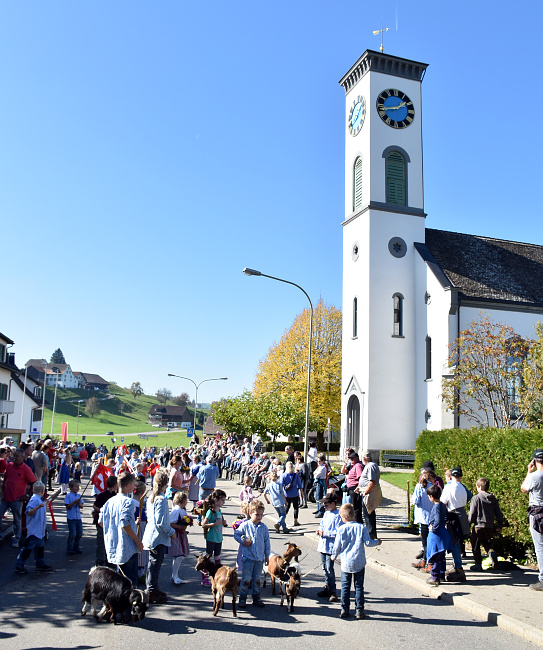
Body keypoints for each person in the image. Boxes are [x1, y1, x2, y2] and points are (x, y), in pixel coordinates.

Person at [331, 502, 381, 619]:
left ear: (344, 517)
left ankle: (344, 609)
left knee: (345, 587)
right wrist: (377, 542)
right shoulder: (361, 527)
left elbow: (337, 546)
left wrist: (334, 556)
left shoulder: (341, 529)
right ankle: (359, 610)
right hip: (359, 561)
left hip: (346, 563)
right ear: (354, 515)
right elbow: (368, 543)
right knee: (359, 587)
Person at [100, 471, 143, 586]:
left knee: (114, 582)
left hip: (112, 545)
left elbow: (101, 521)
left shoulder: (109, 501)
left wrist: (112, 530)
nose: (134, 486)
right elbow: (124, 523)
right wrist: (137, 541)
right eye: (133, 483)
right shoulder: (128, 502)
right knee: (129, 582)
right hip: (126, 547)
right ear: (127, 485)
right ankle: (130, 603)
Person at [143, 470, 176, 604]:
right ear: (165, 483)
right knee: (155, 564)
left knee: (152, 563)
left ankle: (153, 588)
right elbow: (161, 521)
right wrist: (171, 532)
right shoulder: (161, 499)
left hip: (152, 535)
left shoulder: (152, 497)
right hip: (158, 537)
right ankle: (151, 591)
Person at [233, 499, 270, 609]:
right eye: (257, 514)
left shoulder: (263, 528)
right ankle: (242, 599)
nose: (259, 517)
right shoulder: (245, 525)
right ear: (250, 513)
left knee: (257, 579)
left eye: (261, 515)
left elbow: (266, 542)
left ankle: (256, 598)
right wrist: (243, 542)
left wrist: (267, 555)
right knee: (245, 579)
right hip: (248, 558)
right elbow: (236, 535)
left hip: (259, 559)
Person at [0, 449, 37, 548]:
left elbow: (34, 482)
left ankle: (16, 538)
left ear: (22, 457)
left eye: (17, 456)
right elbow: (5, 478)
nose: (14, 458)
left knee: (17, 520)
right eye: (14, 456)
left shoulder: (26, 469)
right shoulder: (9, 466)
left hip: (17, 499)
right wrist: (2, 490)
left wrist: (28, 495)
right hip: (5, 497)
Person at [15, 481, 53, 574]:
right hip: (34, 530)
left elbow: (41, 512)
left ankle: (40, 563)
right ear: (43, 490)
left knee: (40, 548)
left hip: (39, 530)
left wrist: (45, 505)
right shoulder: (34, 500)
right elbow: (29, 512)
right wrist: (38, 507)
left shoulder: (39, 499)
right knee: (28, 548)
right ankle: (19, 564)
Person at [440, 467, 469, 582]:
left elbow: (442, 501)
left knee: (455, 542)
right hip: (462, 513)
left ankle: (458, 568)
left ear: (451, 476)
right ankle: (457, 565)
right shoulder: (463, 487)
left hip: (453, 515)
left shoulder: (449, 487)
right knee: (458, 541)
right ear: (461, 476)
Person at [468, 477, 503, 572]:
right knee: (487, 543)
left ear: (480, 487)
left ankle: (478, 564)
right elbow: (498, 513)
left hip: (478, 526)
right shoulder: (493, 499)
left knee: (476, 545)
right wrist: (500, 525)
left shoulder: (476, 498)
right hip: (489, 526)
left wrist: (468, 524)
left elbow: (472, 514)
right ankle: (492, 554)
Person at [521, 448, 543, 590]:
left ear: (534, 461)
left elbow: (524, 488)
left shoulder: (534, 476)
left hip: (538, 513)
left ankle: (542, 579)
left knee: (540, 546)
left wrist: (529, 471)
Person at [317, 493, 343, 602]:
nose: (324, 506)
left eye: (326, 504)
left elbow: (338, 532)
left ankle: (333, 591)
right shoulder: (326, 513)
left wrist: (325, 533)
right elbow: (322, 524)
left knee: (329, 568)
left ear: (333, 503)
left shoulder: (338, 516)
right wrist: (319, 530)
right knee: (324, 568)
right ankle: (327, 586)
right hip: (323, 545)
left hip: (331, 547)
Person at [426, 484, 453, 587]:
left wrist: (433, 527)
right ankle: (441, 575)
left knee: (436, 556)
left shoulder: (436, 507)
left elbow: (437, 519)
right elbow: (446, 516)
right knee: (441, 557)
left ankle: (435, 577)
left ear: (431, 496)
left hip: (437, 535)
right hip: (443, 533)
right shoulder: (442, 505)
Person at [93, 474, 118, 567]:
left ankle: (109, 561)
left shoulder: (115, 495)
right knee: (101, 544)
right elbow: (95, 506)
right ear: (114, 485)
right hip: (102, 522)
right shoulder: (102, 495)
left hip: (111, 523)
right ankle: (100, 563)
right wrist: (103, 511)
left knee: (110, 543)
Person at [411, 470, 434, 570]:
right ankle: (425, 560)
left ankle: (427, 562)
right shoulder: (433, 487)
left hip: (423, 517)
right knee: (429, 541)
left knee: (425, 542)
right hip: (431, 517)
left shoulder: (419, 487)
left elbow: (415, 500)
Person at [202, 489, 228, 571]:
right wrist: (214, 524)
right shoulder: (210, 512)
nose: (224, 502)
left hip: (218, 538)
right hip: (211, 538)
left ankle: (217, 574)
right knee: (208, 557)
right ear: (216, 500)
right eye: (222, 500)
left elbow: (220, 523)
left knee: (217, 557)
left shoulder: (219, 511)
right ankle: (205, 576)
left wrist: (223, 523)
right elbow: (204, 525)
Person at [169, 491, 190, 585]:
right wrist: (181, 527)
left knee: (180, 556)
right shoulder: (176, 511)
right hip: (176, 535)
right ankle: (174, 576)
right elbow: (170, 523)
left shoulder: (182, 510)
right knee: (178, 555)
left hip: (181, 535)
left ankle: (175, 575)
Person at [65, 479, 84, 555]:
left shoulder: (79, 496)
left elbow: (81, 506)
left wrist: (79, 503)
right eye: (76, 487)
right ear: (71, 487)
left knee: (79, 533)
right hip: (71, 518)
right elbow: (68, 506)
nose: (77, 488)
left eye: (78, 487)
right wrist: (74, 502)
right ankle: (70, 548)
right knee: (72, 533)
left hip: (78, 517)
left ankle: (76, 546)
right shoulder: (68, 496)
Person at [281, 462, 303, 527]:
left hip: (287, 494)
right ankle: (295, 520)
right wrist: (302, 493)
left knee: (287, 507)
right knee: (296, 507)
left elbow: (281, 485)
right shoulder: (295, 475)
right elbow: (299, 484)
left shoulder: (283, 475)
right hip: (295, 494)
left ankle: (283, 519)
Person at [345, 452, 363, 523]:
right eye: (350, 459)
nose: (351, 460)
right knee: (354, 507)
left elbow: (360, 478)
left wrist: (358, 487)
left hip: (355, 488)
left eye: (352, 458)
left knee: (356, 508)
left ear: (357, 458)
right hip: (351, 488)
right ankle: (357, 521)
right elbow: (344, 471)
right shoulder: (353, 465)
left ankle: (358, 522)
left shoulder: (358, 465)